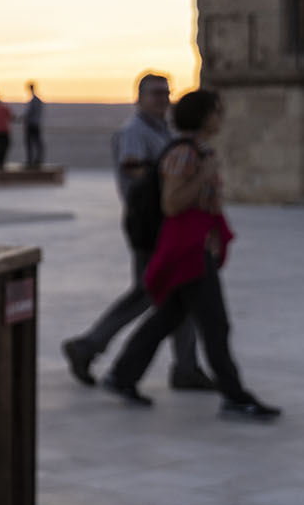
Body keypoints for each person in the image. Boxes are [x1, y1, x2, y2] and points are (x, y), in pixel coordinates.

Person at [97, 88, 279, 419]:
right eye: (217, 111)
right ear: (205, 116)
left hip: (195, 248)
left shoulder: (198, 151)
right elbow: (172, 203)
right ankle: (235, 395)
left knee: (169, 316)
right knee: (215, 324)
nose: (221, 117)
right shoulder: (186, 154)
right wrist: (204, 176)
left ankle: (122, 375)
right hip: (187, 251)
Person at [61, 74, 213, 391]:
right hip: (149, 225)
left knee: (180, 293)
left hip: (168, 224)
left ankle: (186, 367)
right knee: (148, 291)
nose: (162, 99)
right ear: (139, 97)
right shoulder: (134, 132)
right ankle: (89, 345)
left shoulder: (164, 132)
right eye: (155, 93)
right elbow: (135, 168)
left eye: (166, 93)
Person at [23, 82, 46, 169]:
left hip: (32, 124)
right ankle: (36, 160)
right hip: (36, 124)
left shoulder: (34, 101)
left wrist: (23, 118)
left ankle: (32, 161)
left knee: (31, 143)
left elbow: (29, 113)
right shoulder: (37, 100)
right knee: (36, 143)